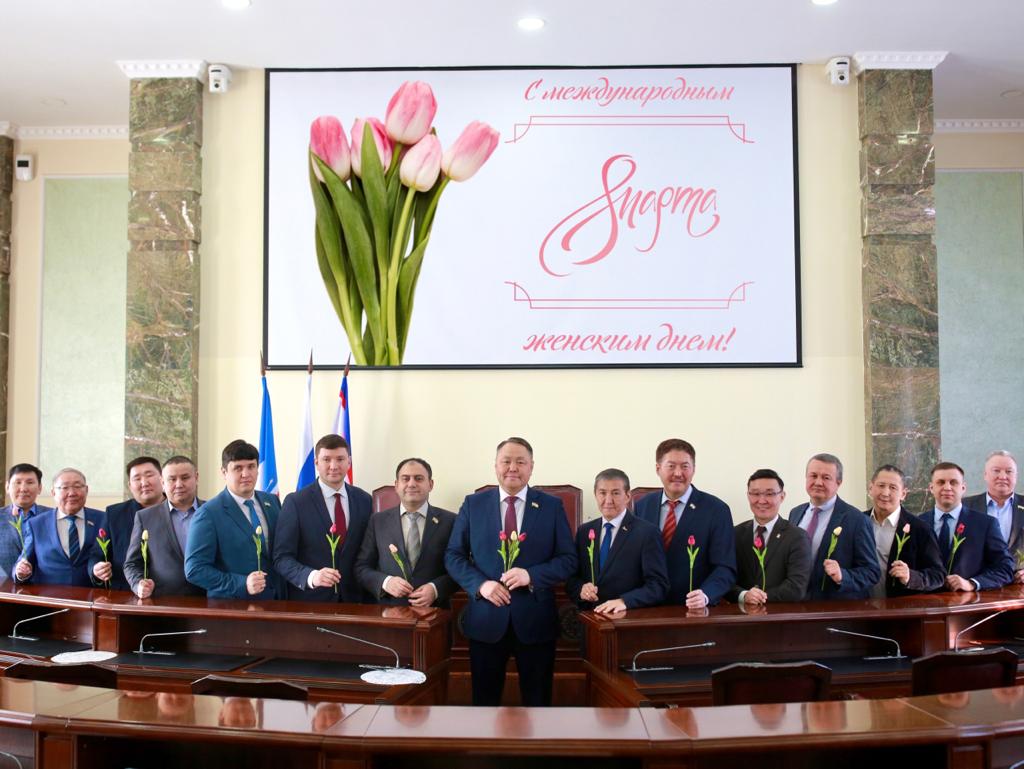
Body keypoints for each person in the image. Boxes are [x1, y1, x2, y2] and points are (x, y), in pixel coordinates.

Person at [445, 437, 576, 706]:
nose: (513, 468)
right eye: (506, 461)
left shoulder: (551, 506)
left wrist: (532, 576)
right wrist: (481, 585)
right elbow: (453, 555)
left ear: (531, 467)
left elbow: (568, 560)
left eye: (520, 462)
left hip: (536, 621)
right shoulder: (473, 504)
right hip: (486, 620)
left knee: (538, 704)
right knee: (484, 704)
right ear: (495, 466)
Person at [633, 439, 736, 609]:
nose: (678, 473)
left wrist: (706, 595)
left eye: (685, 466)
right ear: (658, 469)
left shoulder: (716, 510)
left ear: (694, 469)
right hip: (647, 607)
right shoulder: (642, 506)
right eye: (671, 466)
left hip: (693, 608)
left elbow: (725, 567)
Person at [274, 434, 372, 603]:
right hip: (312, 602)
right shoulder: (296, 502)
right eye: (326, 459)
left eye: (340, 459)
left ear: (349, 462)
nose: (334, 466)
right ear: (316, 463)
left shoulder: (365, 500)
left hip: (356, 601)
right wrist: (312, 576)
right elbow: (281, 558)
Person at [185, 440, 283, 599]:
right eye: (238, 468)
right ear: (224, 472)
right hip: (232, 605)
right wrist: (242, 584)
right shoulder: (208, 514)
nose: (246, 474)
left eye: (251, 466)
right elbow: (194, 569)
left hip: (276, 602)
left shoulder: (272, 502)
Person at [354, 457, 457, 607]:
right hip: (389, 611)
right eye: (405, 479)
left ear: (430, 484)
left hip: (435, 611)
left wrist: (436, 589)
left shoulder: (451, 521)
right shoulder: (377, 521)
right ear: (396, 485)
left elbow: (461, 567)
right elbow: (361, 568)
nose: (412, 484)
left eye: (419, 478)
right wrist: (386, 582)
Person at [566, 468, 668, 613]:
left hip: (627, 618)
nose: (608, 500)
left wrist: (625, 601)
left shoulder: (647, 533)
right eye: (602, 493)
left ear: (627, 496)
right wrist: (581, 589)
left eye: (615, 493)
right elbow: (571, 578)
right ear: (595, 495)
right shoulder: (584, 532)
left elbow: (658, 586)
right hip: (590, 617)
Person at [920, 461, 1014, 592]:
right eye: (941, 482)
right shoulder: (918, 523)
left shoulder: (985, 524)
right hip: (924, 600)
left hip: (968, 601)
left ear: (963, 488)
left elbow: (1005, 568)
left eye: (953, 482)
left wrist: (972, 583)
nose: (947, 487)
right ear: (931, 488)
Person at [124, 456, 205, 598]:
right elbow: (132, 564)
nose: (179, 484)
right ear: (162, 482)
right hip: (163, 601)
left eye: (185, 478)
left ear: (196, 477)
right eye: (172, 479)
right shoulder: (145, 517)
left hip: (209, 598)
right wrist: (138, 584)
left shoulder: (213, 511)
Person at [728, 469, 811, 605]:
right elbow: (725, 577)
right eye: (755, 494)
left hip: (779, 614)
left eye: (770, 494)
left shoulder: (797, 537)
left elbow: (796, 587)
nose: (762, 500)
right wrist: (744, 595)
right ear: (748, 496)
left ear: (782, 496)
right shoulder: (735, 534)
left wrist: (760, 597)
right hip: (740, 613)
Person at [14, 468, 106, 586]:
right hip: (49, 594)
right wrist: (21, 572)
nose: (72, 493)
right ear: (53, 493)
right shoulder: (36, 524)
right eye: (65, 487)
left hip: (92, 594)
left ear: (86, 490)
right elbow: (24, 560)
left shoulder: (103, 519)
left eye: (77, 486)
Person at [865, 464, 944, 597]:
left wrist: (910, 577)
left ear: (903, 494)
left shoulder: (920, 528)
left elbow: (938, 575)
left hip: (900, 606)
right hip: (861, 605)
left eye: (893, 487)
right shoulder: (858, 521)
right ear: (871, 488)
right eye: (881, 485)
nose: (885, 493)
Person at [101, 457, 165, 591]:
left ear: (162, 478)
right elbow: (98, 554)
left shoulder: (178, 510)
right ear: (130, 485)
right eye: (137, 478)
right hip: (125, 593)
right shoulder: (114, 514)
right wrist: (97, 568)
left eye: (149, 475)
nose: (144, 483)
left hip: (171, 593)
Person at [963, 451, 1024, 582]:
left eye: (1009, 471)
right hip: (976, 582)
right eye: (996, 471)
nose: (1002, 476)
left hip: (1018, 584)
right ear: (985, 475)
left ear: (1016, 476)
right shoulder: (965, 506)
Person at [0, 463, 50, 577]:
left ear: (40, 488)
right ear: (7, 487)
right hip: (4, 584)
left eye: (30, 482)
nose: (23, 489)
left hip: (44, 584)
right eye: (18, 482)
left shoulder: (52, 517)